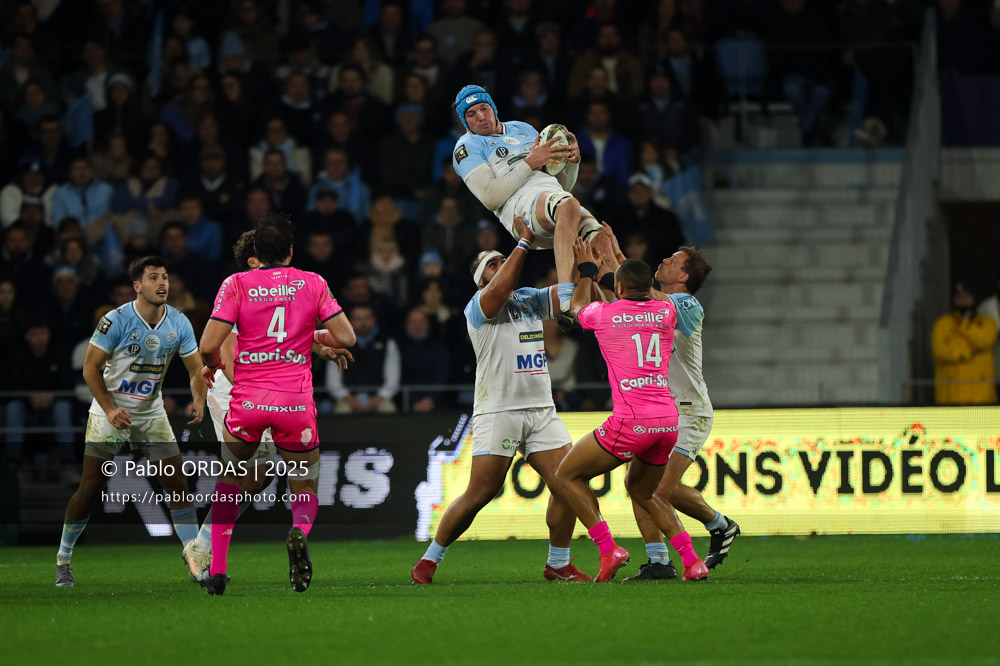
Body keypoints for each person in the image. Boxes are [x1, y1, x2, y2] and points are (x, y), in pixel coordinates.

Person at [411, 218, 591, 584]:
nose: (501, 265)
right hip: (499, 410)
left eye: (501, 260)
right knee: (481, 492)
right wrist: (523, 241)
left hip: (541, 410)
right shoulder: (478, 305)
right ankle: (430, 559)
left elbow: (572, 298)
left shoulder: (528, 300)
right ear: (480, 280)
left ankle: (558, 562)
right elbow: (503, 284)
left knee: (569, 482)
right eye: (491, 264)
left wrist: (584, 264)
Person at [198, 213, 356, 596]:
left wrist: (213, 366)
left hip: (248, 402)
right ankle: (298, 531)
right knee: (304, 483)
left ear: (257, 251)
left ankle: (217, 570)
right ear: (290, 250)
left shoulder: (236, 283)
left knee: (229, 482)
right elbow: (346, 336)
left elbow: (207, 346)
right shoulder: (312, 282)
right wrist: (312, 336)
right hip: (294, 403)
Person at [554, 240, 709, 583]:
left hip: (631, 420)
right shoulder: (667, 312)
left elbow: (578, 307)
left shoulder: (606, 315)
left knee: (567, 476)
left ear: (619, 287)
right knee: (645, 492)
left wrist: (587, 272)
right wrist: (615, 270)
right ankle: (692, 561)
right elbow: (636, 302)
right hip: (668, 422)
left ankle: (609, 549)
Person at [55, 256, 208, 588]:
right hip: (110, 414)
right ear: (138, 286)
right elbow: (89, 369)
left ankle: (195, 559)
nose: (162, 283)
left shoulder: (179, 322)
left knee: (176, 484)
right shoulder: (116, 320)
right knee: (90, 488)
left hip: (151, 413)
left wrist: (199, 399)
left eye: (165, 276)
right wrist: (109, 409)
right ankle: (63, 559)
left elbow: (197, 369)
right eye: (154, 277)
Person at [595, 230, 739, 579]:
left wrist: (612, 261)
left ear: (684, 277)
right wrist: (613, 251)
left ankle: (720, 525)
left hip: (690, 410)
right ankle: (658, 560)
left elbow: (644, 292)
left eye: (673, 261)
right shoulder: (650, 305)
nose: (664, 261)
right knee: (636, 485)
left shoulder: (687, 304)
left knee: (661, 489)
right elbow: (631, 288)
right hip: (662, 411)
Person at [451, 84, 613, 286]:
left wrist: (572, 163)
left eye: (484, 108)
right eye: (471, 114)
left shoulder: (523, 129)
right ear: (465, 123)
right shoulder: (466, 146)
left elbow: (560, 186)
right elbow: (490, 198)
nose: (481, 117)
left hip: (553, 203)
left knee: (602, 240)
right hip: (519, 210)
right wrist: (529, 163)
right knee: (567, 205)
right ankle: (566, 296)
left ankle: (626, 306)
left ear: (493, 108)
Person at [931, 282, 998, 405]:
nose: (963, 302)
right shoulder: (942, 324)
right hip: (950, 398)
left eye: (966, 297)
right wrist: (967, 351)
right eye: (959, 298)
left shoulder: (987, 323)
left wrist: (966, 325)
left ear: (974, 299)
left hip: (981, 398)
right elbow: (940, 351)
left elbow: (986, 341)